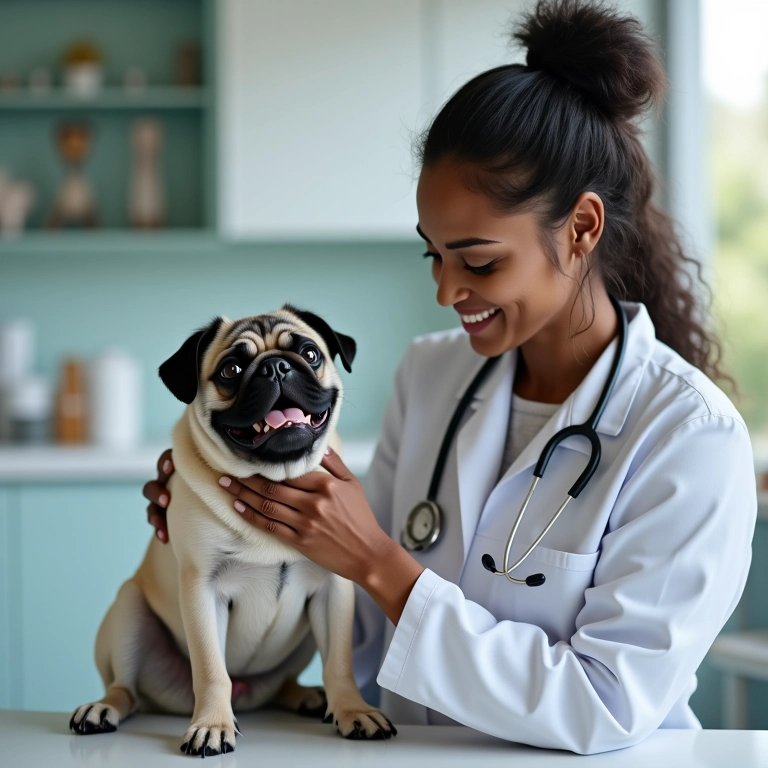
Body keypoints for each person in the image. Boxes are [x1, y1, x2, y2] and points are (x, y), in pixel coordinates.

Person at [142, 0, 757, 755]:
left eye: (479, 260)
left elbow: (604, 704)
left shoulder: (690, 437)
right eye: (433, 255)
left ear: (583, 228)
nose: (446, 291)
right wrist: (242, 522)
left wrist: (377, 560)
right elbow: (362, 631)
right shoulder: (431, 373)